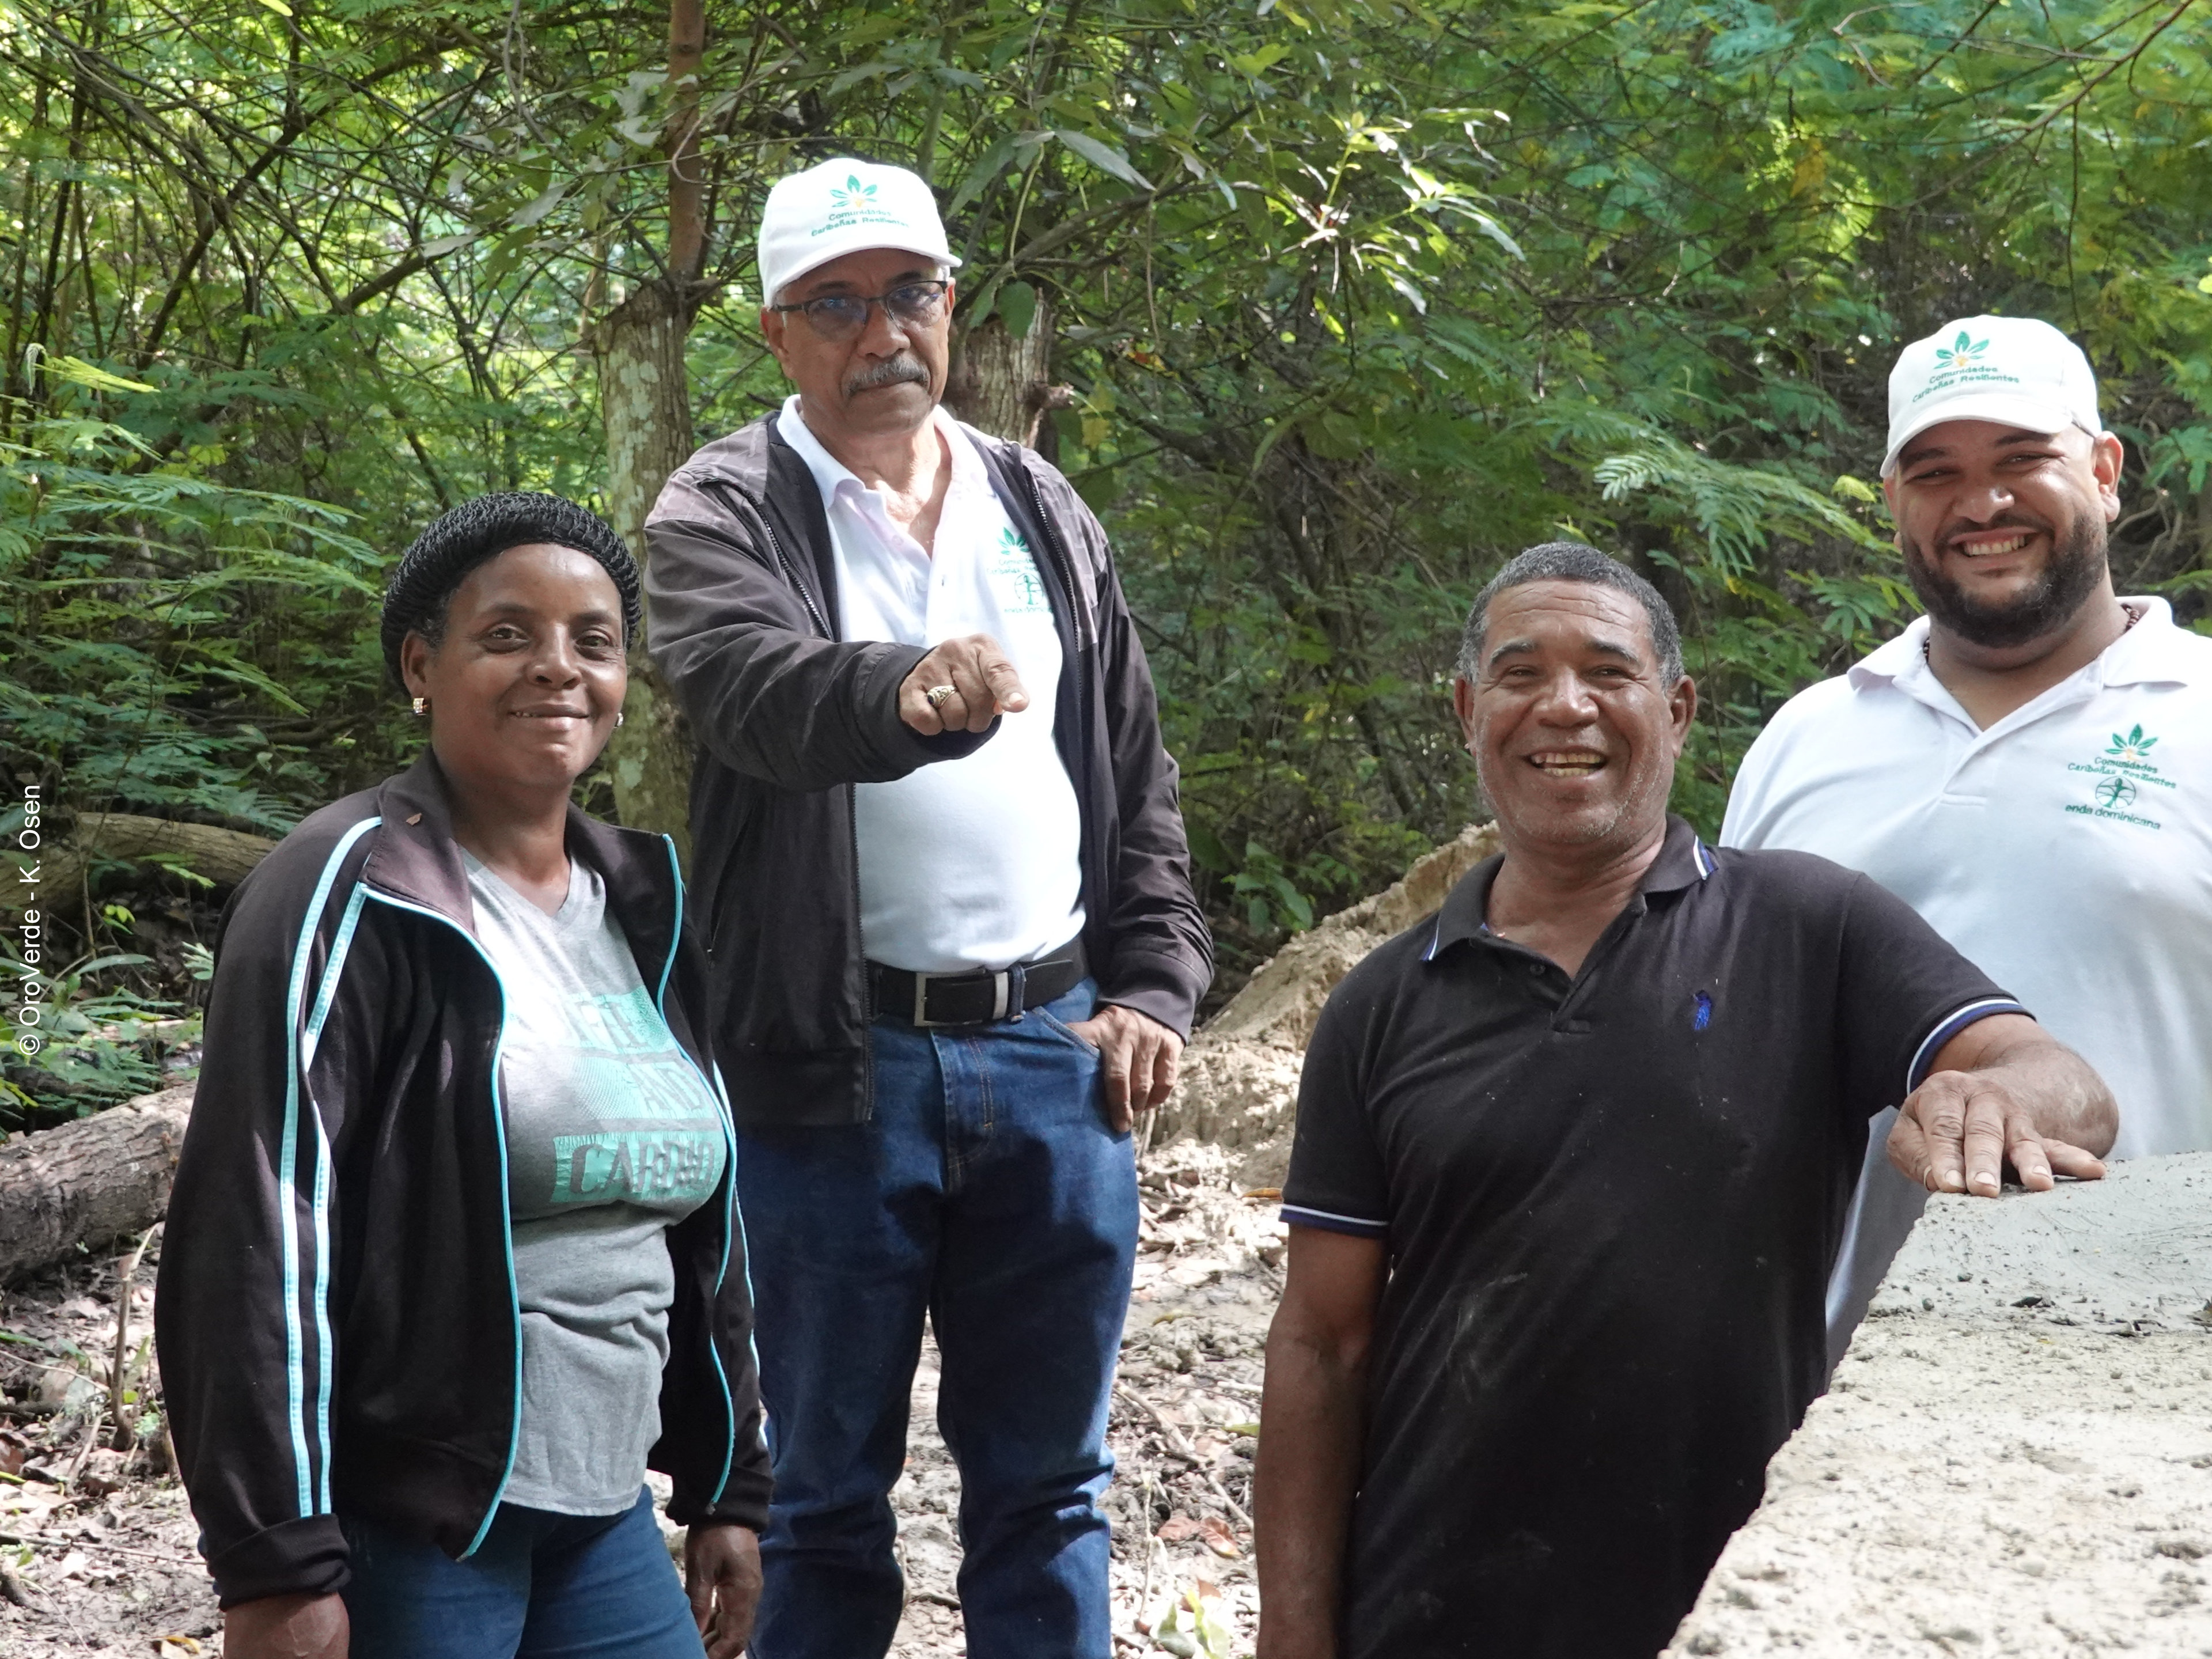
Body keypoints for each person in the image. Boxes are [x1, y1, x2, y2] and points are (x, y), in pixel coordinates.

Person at [1252, 543, 2117, 1659]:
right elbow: (1321, 1342)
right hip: (1431, 1607)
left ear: (1676, 709)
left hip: (1739, 1602)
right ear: (1470, 712)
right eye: (1521, 674)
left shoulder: (1807, 927)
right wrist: (1293, 1630)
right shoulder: (1380, 1004)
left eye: (1608, 672)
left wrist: (1990, 1101)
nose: (1565, 706)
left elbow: (2062, 1083)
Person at [642, 157, 1212, 1659]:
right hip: (834, 1076)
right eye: (835, 304)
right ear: (777, 332)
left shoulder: (1037, 500)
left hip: (1054, 1057)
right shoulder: (725, 508)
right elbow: (754, 693)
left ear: (952, 304)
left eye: (908, 292)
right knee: (824, 1499)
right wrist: (904, 690)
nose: (881, 331)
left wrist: (1152, 985)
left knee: (1052, 1494)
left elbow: (1133, 770)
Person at [156, 494, 767, 1659]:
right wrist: (276, 1564)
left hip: (606, 1516)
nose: (558, 667)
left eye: (594, 640)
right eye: (507, 635)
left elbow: (707, 1225)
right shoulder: (350, 888)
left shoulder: (643, 902)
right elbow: (258, 1226)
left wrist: (729, 1483)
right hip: (413, 1526)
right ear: (420, 668)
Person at [1722, 315, 2212, 1363]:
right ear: (1894, 500)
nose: (1982, 503)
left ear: (2105, 470)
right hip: (1830, 1388)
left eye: (2022, 459)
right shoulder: (1808, 738)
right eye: (1936, 471)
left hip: (2164, 1365)